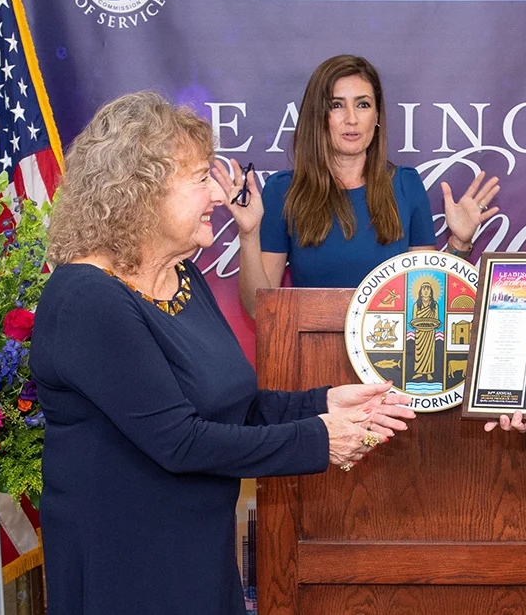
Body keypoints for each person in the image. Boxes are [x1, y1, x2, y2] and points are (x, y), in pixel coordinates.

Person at [30, 91, 417, 615]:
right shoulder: (85, 299)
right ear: (141, 193)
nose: (217, 194)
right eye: (199, 179)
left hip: (200, 556)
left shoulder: (182, 276)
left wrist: (326, 404)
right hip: (126, 568)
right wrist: (318, 440)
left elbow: (235, 408)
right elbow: (180, 442)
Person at [213, 54, 500, 317]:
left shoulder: (407, 185)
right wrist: (249, 235)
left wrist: (460, 242)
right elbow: (259, 309)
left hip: (389, 359)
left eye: (363, 104)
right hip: (313, 359)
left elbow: (424, 297)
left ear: (376, 117)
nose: (352, 118)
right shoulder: (283, 191)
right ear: (318, 117)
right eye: (337, 105)